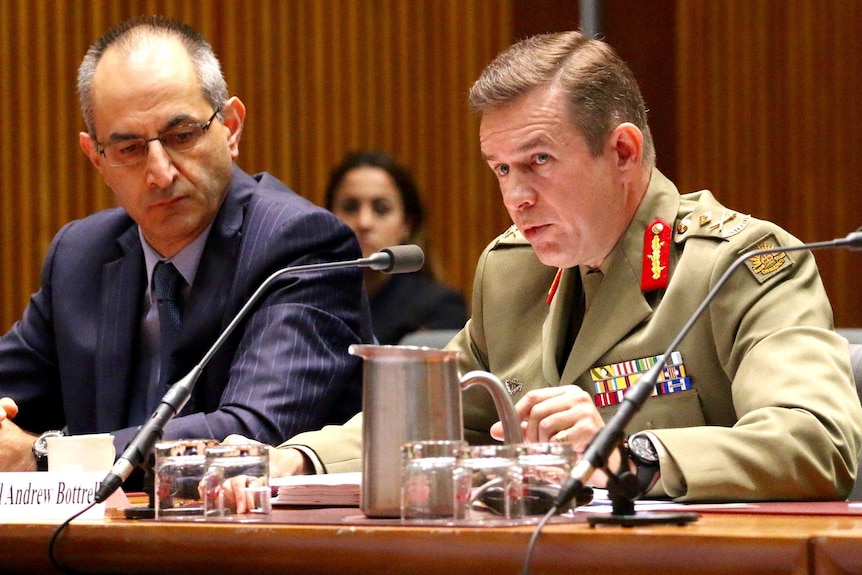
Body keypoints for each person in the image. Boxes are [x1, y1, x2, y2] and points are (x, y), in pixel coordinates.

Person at [231, 31, 862, 502]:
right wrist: (299, 460)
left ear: (621, 150)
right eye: (501, 168)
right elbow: (429, 418)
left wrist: (634, 453)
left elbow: (818, 441)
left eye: (538, 161)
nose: (515, 197)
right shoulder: (511, 273)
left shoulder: (738, 264)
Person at [0, 16, 367, 484]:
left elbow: (249, 435)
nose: (161, 172)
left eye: (181, 136)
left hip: (254, 548)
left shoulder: (300, 242)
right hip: (96, 547)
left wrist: (45, 458)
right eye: (130, 148)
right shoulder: (80, 256)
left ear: (231, 127)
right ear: (98, 159)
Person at [325, 150, 468, 345]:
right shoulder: (313, 300)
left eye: (381, 209)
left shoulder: (439, 307)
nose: (364, 222)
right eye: (350, 207)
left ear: (406, 225)